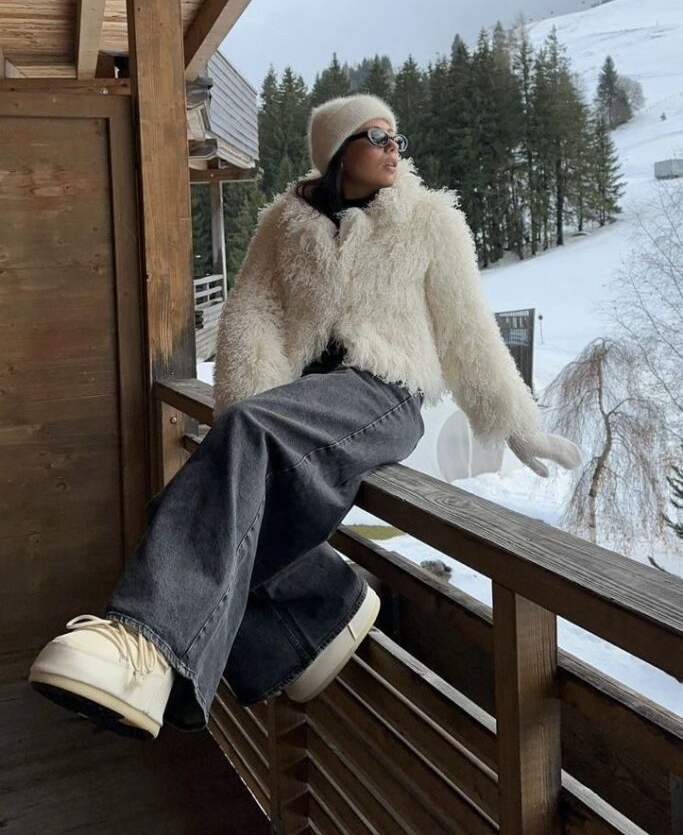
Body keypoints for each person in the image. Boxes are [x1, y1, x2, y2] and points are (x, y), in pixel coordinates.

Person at [27, 93, 582, 741]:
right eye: (376, 135)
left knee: (228, 467)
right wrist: (244, 407)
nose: (392, 146)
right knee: (182, 507)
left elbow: (466, 332)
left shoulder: (431, 221)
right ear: (337, 149)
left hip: (384, 389)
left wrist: (514, 421)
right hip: (305, 399)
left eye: (395, 135)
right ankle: (316, 615)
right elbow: (253, 317)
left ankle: (148, 644)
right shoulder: (285, 222)